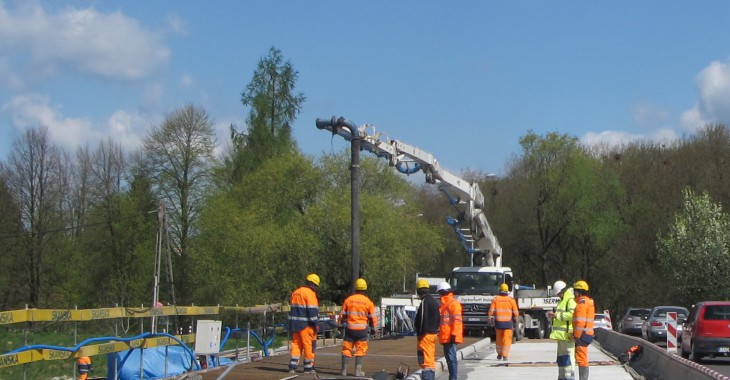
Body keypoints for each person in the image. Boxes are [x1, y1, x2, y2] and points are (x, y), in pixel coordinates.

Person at [339, 278, 378, 377]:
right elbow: (373, 317)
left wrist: (339, 324)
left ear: (355, 288)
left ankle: (344, 371)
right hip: (362, 330)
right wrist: (374, 329)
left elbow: (342, 315)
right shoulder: (368, 302)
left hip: (349, 329)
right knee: (360, 349)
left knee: (347, 349)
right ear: (365, 289)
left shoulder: (348, 300)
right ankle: (358, 371)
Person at [288, 273, 320, 374]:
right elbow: (312, 310)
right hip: (306, 325)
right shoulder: (310, 293)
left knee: (296, 344)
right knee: (308, 345)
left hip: (295, 324)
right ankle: (308, 367)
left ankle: (293, 366)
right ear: (314, 285)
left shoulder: (296, 292)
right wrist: (315, 323)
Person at [548, 280, 577, 380]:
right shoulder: (562, 301)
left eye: (558, 294)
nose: (558, 296)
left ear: (562, 292)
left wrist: (557, 315)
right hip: (561, 336)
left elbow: (572, 315)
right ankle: (562, 377)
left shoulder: (570, 301)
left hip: (567, 335)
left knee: (568, 358)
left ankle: (569, 377)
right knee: (561, 358)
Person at [437, 281, 463, 380]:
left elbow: (457, 321)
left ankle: (453, 378)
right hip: (446, 336)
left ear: (443, 292)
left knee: (451, 359)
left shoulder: (453, 304)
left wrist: (453, 335)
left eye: (439, 292)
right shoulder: (445, 304)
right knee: (449, 359)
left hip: (451, 337)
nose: (438, 295)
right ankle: (452, 377)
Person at [414, 279, 440, 380]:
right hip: (433, 334)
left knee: (426, 361)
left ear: (419, 291)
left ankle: (427, 378)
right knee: (430, 358)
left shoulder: (425, 302)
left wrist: (420, 333)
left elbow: (422, 319)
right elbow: (438, 318)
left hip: (426, 335)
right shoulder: (434, 301)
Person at [487, 283, 519, 361]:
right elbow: (515, 312)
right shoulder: (511, 300)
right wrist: (516, 321)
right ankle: (505, 355)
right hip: (508, 323)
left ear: (500, 290)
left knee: (499, 339)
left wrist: (489, 318)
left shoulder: (495, 299)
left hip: (498, 323)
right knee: (507, 340)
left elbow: (491, 310)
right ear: (507, 291)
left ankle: (499, 354)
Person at [572, 280, 595, 380]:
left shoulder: (581, 304)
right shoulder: (588, 302)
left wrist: (576, 336)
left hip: (582, 335)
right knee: (583, 358)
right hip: (587, 333)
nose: (574, 293)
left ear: (579, 292)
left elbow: (580, 323)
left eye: (575, 291)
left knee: (582, 360)